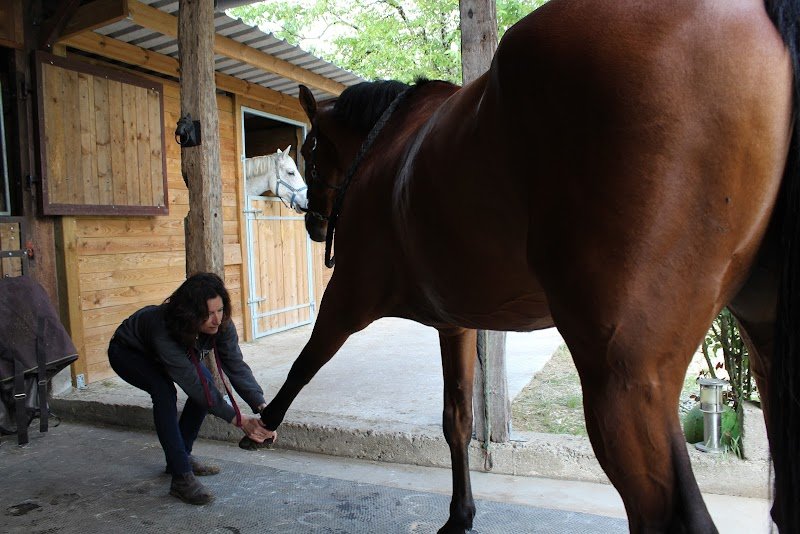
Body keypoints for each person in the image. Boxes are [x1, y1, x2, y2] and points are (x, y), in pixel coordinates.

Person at [108, 272, 275, 505]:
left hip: (162, 354)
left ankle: (180, 457)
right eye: (208, 315)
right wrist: (239, 419)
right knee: (165, 392)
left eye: (220, 310)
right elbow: (196, 386)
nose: (217, 320)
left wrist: (263, 407)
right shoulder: (163, 329)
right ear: (190, 315)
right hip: (128, 352)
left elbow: (235, 366)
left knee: (206, 389)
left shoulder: (221, 324)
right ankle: (181, 477)